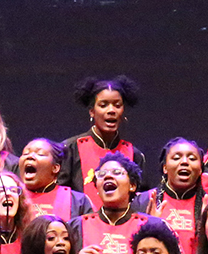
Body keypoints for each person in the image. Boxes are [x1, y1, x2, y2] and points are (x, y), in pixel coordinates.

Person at [71, 152, 151, 254]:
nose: (107, 176)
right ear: (96, 187)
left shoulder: (150, 226)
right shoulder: (76, 226)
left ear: (132, 185)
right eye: (101, 174)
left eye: (116, 172)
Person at [61, 76, 150, 204]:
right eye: (103, 105)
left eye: (117, 105)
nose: (111, 110)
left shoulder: (135, 155)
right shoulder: (70, 149)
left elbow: (141, 201)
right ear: (92, 111)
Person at [139, 138, 208, 254]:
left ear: (200, 169)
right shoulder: (144, 201)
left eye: (192, 158)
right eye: (176, 158)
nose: (184, 162)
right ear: (165, 168)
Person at [19, 137, 96, 221]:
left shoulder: (78, 201)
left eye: (40, 154)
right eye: (25, 153)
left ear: (55, 168)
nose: (30, 156)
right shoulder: (13, 197)